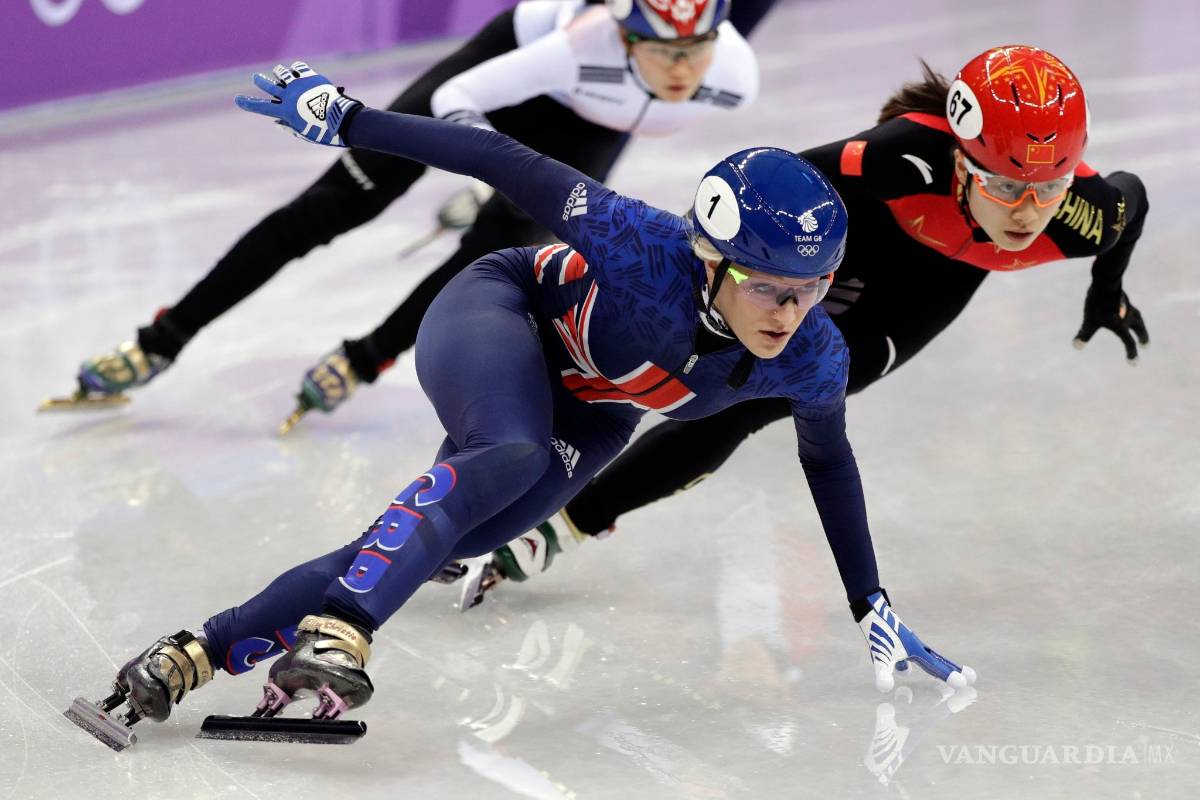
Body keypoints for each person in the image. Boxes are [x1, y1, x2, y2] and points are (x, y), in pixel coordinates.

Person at [69, 61, 974, 749]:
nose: (792, 314)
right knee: (505, 453)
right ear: (711, 257)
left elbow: (827, 457)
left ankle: (191, 652)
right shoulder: (640, 244)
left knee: (447, 541)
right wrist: (350, 119)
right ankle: (342, 633)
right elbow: (498, 156)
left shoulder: (813, 355)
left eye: (813, 290)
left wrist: (869, 599)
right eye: (771, 288)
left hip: (595, 410)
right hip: (501, 311)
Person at [455, 44, 1151, 608]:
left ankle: (559, 530)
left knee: (754, 404)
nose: (1028, 213)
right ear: (961, 161)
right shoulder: (899, 155)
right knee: (701, 364)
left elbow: (1133, 201)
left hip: (933, 287)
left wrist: (1105, 290)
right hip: (856, 237)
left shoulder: (1084, 214)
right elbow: (774, 183)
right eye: (1004, 184)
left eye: (1048, 189)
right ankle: (502, 472)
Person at [66, 0, 762, 421]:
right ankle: (161, 341)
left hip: (587, 125)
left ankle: (365, 359)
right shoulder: (577, 46)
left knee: (491, 259)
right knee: (334, 206)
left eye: (695, 50)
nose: (681, 69)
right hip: (503, 78)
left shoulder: (734, 74)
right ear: (625, 37)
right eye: (663, 50)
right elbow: (458, 97)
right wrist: (493, 168)